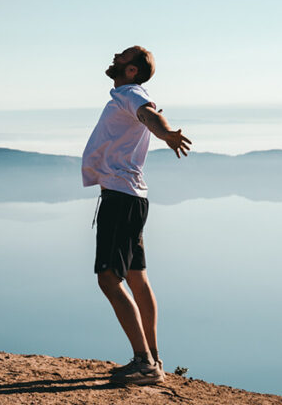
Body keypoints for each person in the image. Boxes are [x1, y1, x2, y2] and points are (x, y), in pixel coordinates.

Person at [82, 45, 191, 385]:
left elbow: (150, 115)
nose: (115, 56)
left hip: (120, 198)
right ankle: (152, 358)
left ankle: (144, 364)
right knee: (135, 276)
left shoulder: (131, 94)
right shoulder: (127, 95)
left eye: (122, 56)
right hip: (130, 197)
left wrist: (165, 133)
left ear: (131, 70)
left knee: (108, 278)